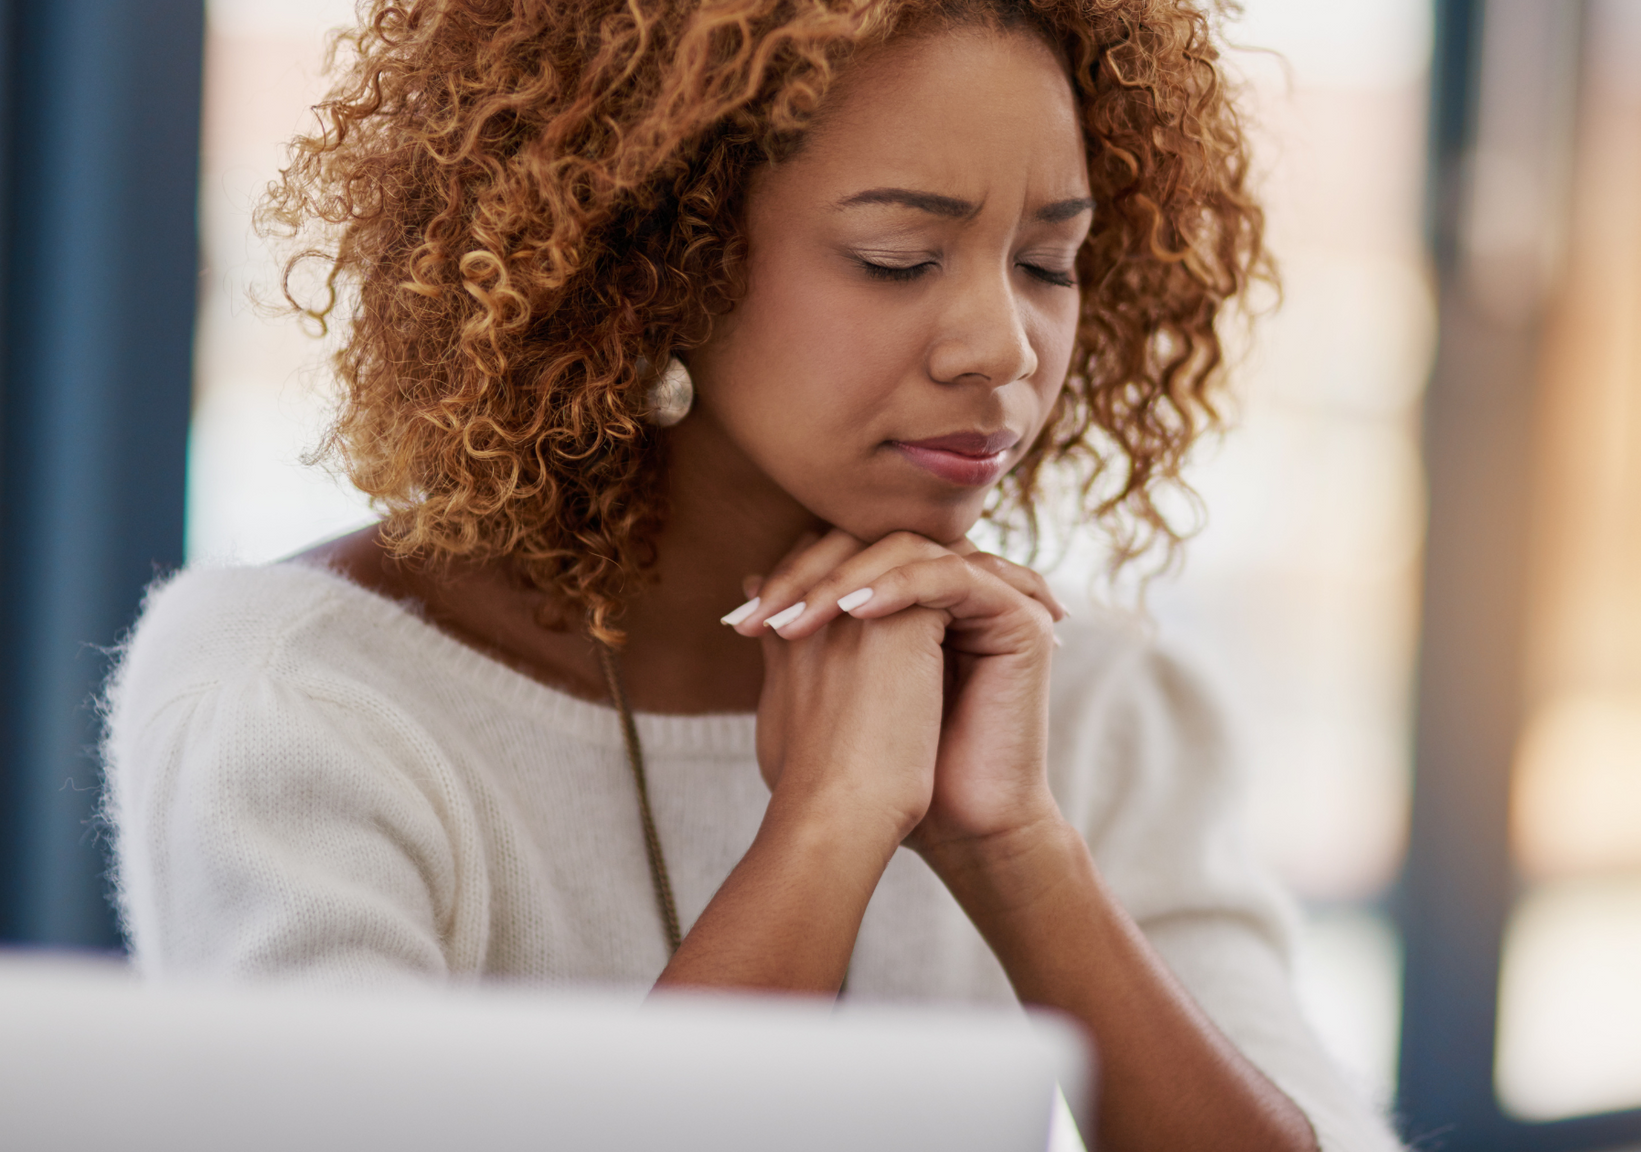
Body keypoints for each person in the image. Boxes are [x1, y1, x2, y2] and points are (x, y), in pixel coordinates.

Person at [105, 1, 1396, 1149]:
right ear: (649, 260)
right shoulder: (301, 705)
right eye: (900, 258)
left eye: (1048, 262)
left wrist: (1016, 854)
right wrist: (826, 828)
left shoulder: (1091, 700)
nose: (1005, 346)